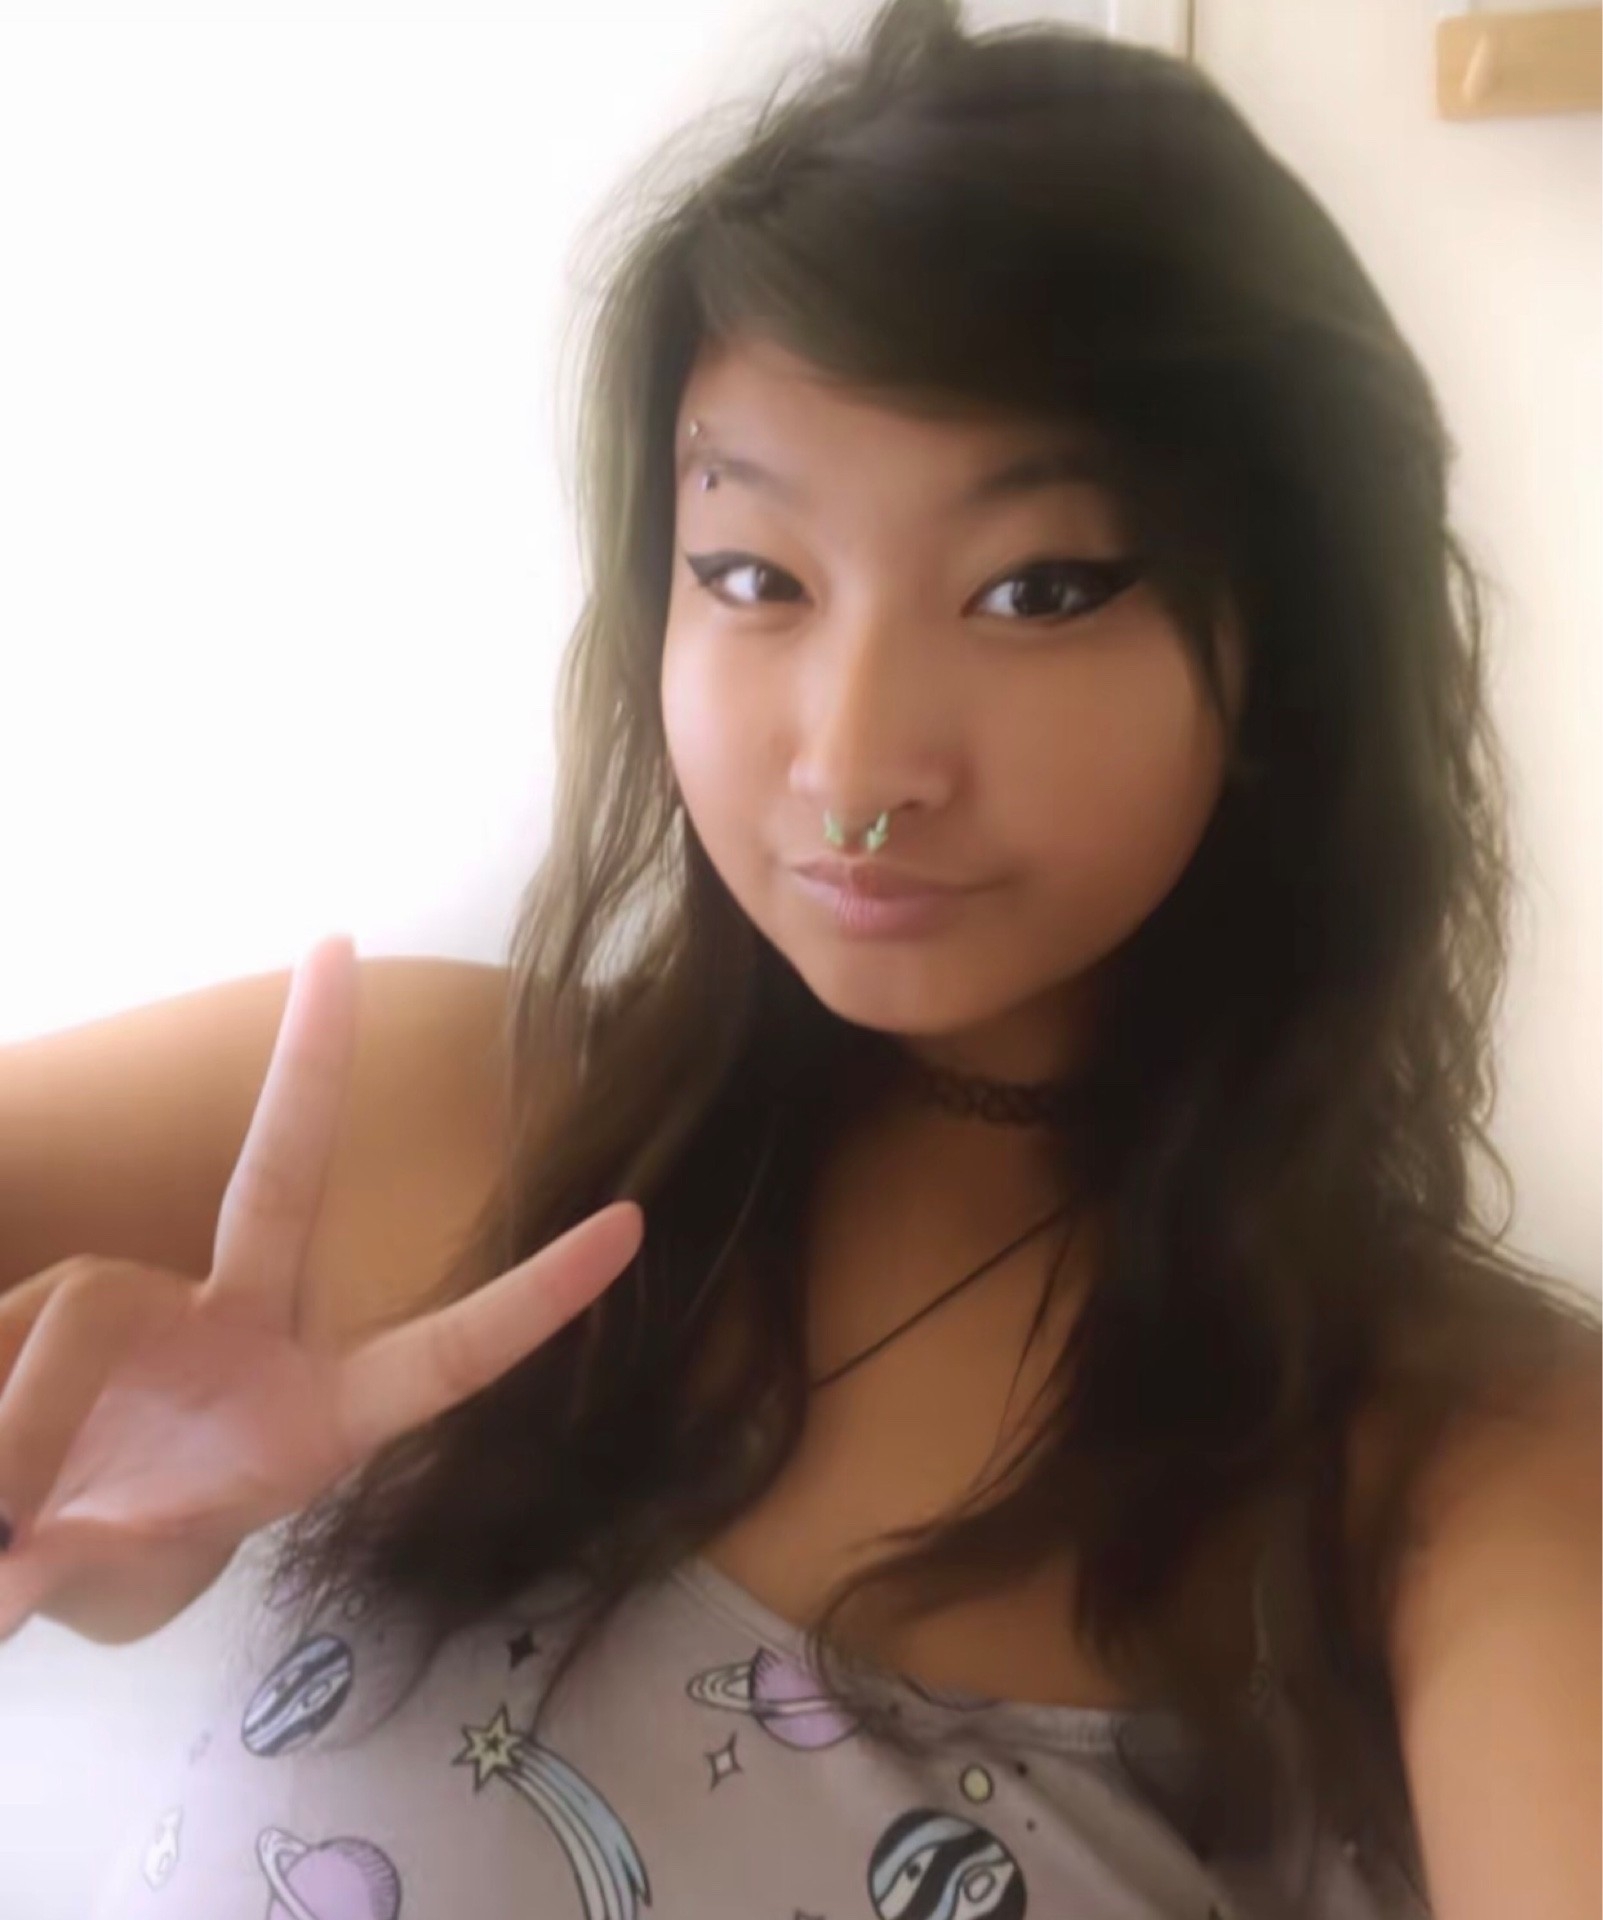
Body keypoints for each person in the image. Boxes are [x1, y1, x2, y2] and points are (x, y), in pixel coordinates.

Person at [0, 1, 1597, 1915]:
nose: (854, 766)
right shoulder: (431, 1112)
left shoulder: (1465, 1466)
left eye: (1038, 589)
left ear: (1292, 648)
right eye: (755, 575)